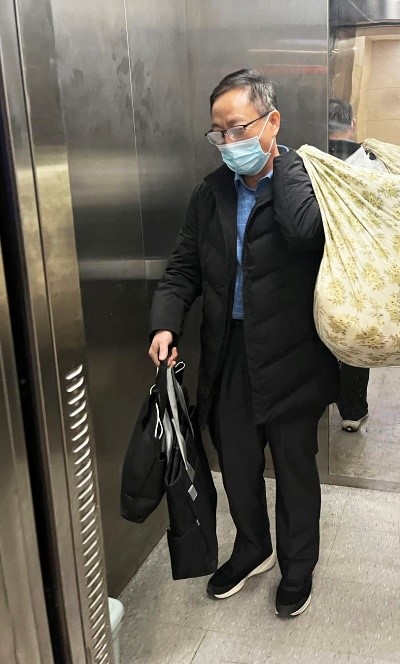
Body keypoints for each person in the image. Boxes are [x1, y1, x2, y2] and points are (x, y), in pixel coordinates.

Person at [148, 70, 339, 618]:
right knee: (235, 462)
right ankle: (253, 548)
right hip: (229, 350)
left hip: (293, 352)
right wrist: (165, 324)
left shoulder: (305, 183)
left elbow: (305, 233)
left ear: (272, 121)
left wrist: (288, 167)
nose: (228, 142)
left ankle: (297, 566)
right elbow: (183, 267)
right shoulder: (210, 194)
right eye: (219, 132)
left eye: (238, 128)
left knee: (295, 467)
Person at [328, 98, 371, 433]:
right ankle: (352, 410)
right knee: (355, 337)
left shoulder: (307, 161)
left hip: (319, 263)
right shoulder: (371, 162)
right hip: (361, 265)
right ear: (352, 124)